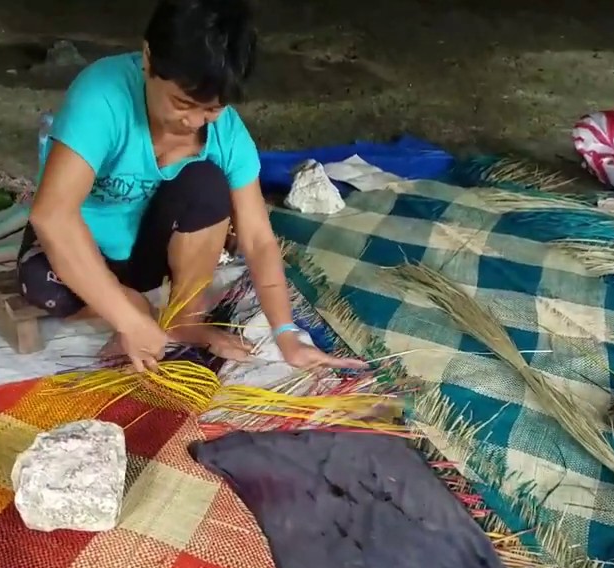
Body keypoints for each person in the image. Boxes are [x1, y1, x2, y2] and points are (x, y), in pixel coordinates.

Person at [22, 0, 365, 374]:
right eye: (182, 103)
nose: (194, 121)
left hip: (144, 252)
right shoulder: (102, 96)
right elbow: (52, 216)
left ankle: (183, 317)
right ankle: (132, 305)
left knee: (207, 182)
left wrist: (286, 334)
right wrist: (128, 318)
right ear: (149, 59)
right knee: (44, 288)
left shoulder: (225, 132)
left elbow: (258, 238)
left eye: (212, 108)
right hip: (78, 252)